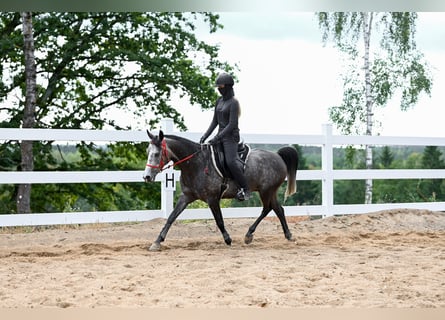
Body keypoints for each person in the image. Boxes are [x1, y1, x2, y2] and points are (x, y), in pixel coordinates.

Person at [200, 72, 251, 201]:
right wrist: (205, 136)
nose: (219, 89)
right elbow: (215, 121)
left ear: (227, 87)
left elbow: (232, 124)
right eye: (218, 87)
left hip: (230, 137)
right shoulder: (219, 101)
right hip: (220, 135)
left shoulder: (234, 103)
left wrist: (217, 137)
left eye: (221, 86)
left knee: (230, 162)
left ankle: (244, 189)